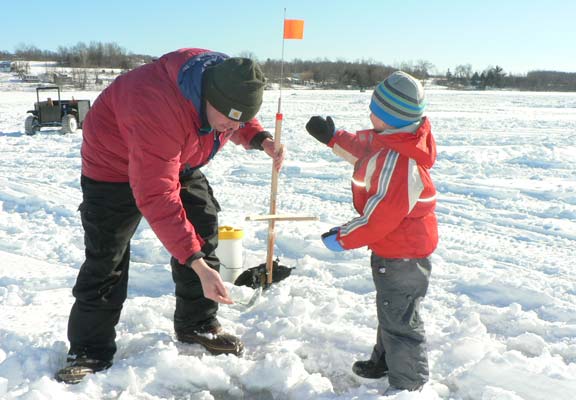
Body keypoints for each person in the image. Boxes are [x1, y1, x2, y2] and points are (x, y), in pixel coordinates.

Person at [55, 48, 284, 384]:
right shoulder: (155, 106)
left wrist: (258, 137)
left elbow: (239, 112)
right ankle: (89, 349)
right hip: (113, 168)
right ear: (207, 96)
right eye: (226, 122)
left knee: (203, 226)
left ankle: (197, 324)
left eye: (237, 122)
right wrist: (196, 263)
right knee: (108, 255)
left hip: (179, 157)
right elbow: (157, 195)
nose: (230, 129)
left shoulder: (228, 80)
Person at [305, 71, 437, 394]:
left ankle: (409, 386)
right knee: (391, 311)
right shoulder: (393, 139)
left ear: (391, 119)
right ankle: (385, 362)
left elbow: (378, 219)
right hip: (396, 252)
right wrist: (333, 136)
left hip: (402, 255)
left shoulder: (400, 163)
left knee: (400, 322)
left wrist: (343, 237)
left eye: (375, 111)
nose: (369, 114)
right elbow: (364, 147)